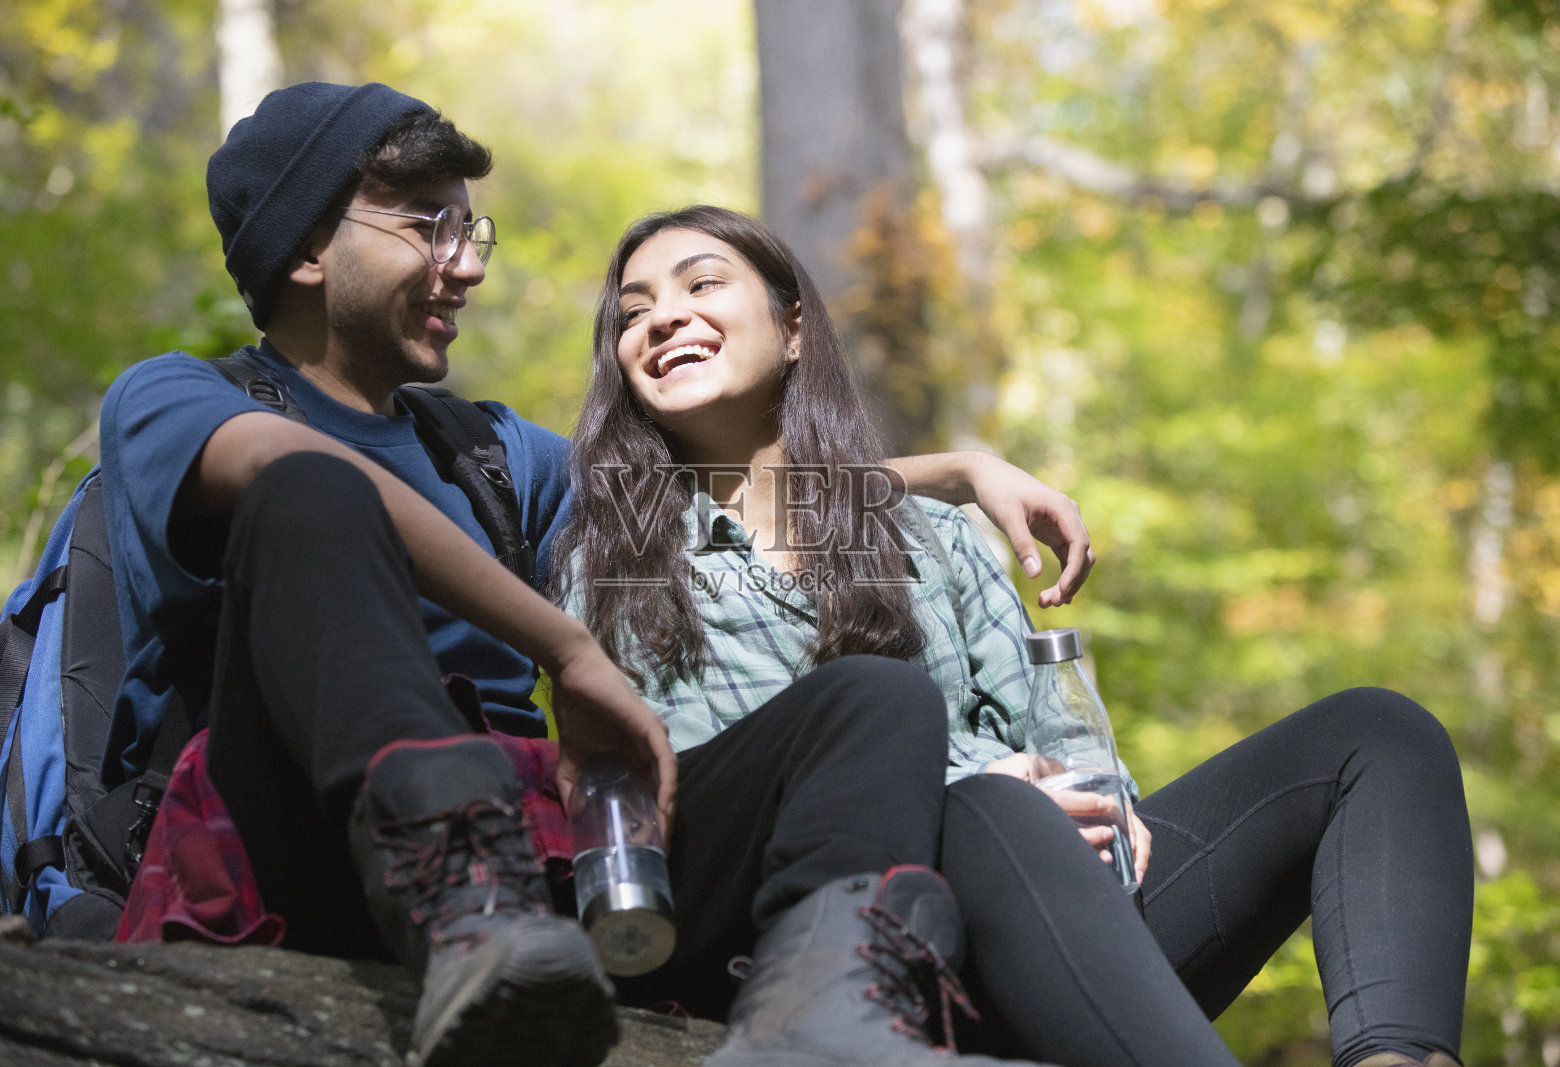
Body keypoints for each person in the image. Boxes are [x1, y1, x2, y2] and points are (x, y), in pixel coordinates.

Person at [99, 84, 1091, 1067]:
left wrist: (955, 471)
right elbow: (285, 466)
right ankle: (460, 911)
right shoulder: (174, 397)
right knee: (310, 496)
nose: (466, 264)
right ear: (307, 248)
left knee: (870, 698)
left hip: (543, 861)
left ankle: (825, 1010)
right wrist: (564, 644)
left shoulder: (487, 453)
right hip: (297, 835)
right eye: (426, 227)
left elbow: (709, 484)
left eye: (468, 228)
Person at [555, 204, 1475, 1067]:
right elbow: (698, 769)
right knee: (988, 803)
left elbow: (1061, 739)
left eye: (700, 284)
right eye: (634, 313)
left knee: (1375, 734)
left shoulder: (935, 535)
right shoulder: (619, 556)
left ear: (795, 329)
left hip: (1047, 912)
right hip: (824, 946)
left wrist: (1097, 804)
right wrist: (983, 776)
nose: (664, 319)